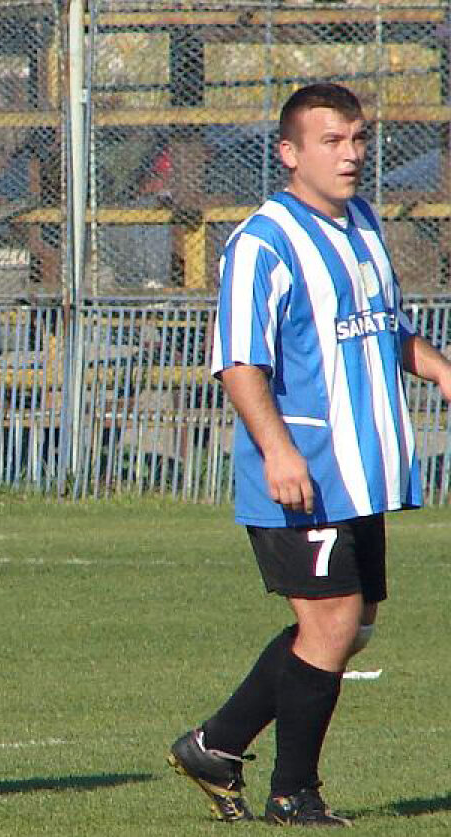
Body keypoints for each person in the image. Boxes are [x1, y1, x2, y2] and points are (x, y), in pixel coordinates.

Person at [168, 83, 451, 826]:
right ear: (291, 154)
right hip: (303, 474)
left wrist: (442, 369)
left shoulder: (361, 222)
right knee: (329, 625)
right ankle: (295, 791)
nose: (352, 154)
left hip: (362, 474)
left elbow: (383, 326)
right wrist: (278, 452)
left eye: (358, 139)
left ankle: (215, 742)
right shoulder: (263, 241)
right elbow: (238, 362)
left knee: (350, 627)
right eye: (333, 141)